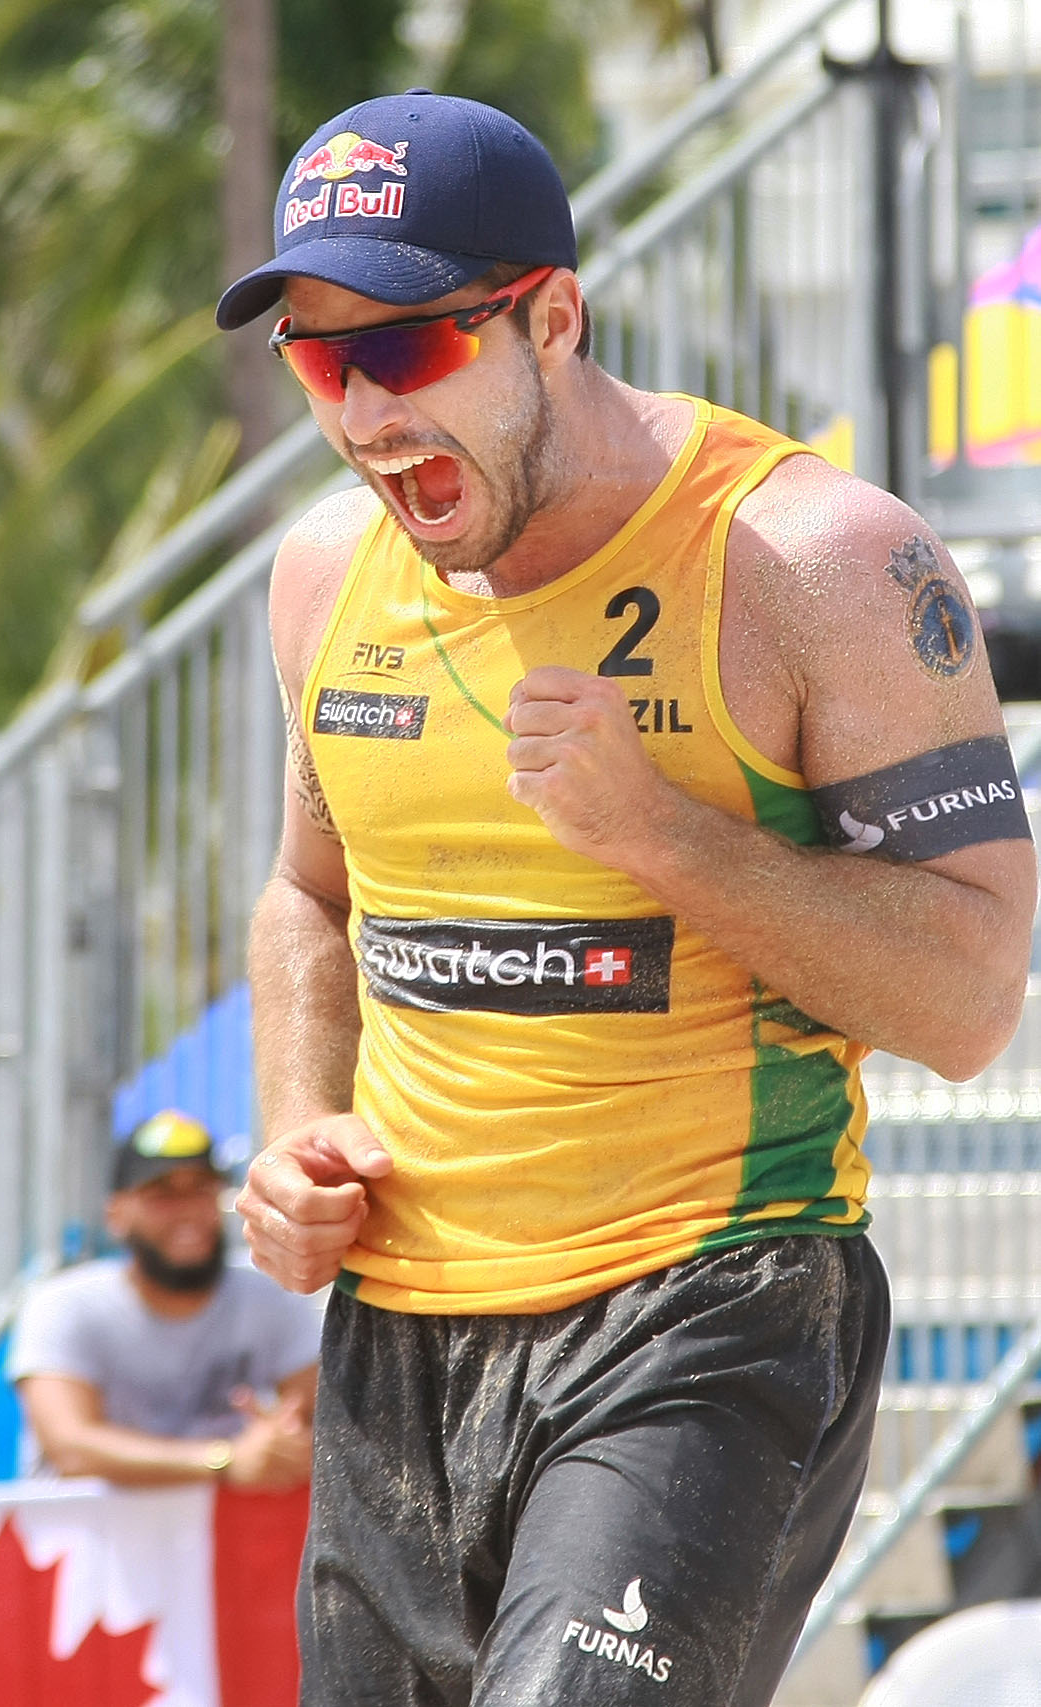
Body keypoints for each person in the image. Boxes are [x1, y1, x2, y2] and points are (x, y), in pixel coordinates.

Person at [220, 92, 1036, 1705]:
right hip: (401, 1331)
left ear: (551, 316)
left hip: (704, 1305)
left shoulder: (812, 564)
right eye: (321, 363)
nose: (368, 412)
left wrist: (661, 835)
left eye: (409, 349)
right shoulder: (324, 576)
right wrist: (291, 1125)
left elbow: (964, 995)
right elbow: (306, 898)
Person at [8, 1111, 318, 1488]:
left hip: (233, 1540)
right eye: (162, 1196)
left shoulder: (272, 1296)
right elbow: (69, 1446)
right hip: (94, 1542)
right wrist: (226, 1459)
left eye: (201, 1190)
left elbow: (316, 1419)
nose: (187, 1211)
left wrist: (283, 1440)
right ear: (115, 1215)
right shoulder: (63, 1305)